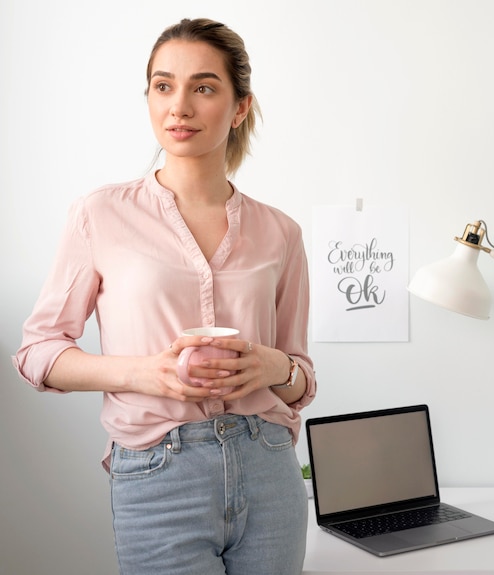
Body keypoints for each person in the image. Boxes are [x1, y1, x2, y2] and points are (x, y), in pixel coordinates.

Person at [13, 17, 316, 575]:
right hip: (158, 473)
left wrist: (274, 366)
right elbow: (37, 354)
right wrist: (144, 375)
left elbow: (300, 378)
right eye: (163, 85)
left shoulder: (282, 233)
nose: (179, 106)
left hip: (268, 465)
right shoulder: (100, 214)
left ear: (240, 106)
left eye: (203, 87)